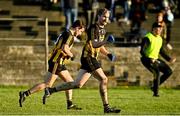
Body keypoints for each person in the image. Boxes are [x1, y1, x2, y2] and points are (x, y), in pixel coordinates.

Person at [43, 8, 121, 113]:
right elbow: (94, 44)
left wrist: (108, 53)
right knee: (104, 79)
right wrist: (106, 41)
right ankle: (106, 107)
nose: (106, 19)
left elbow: (99, 46)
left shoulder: (103, 30)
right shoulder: (94, 28)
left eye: (107, 17)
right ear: (98, 16)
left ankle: (51, 90)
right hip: (89, 57)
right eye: (104, 16)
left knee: (78, 84)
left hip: (90, 58)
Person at [18, 20, 85, 110]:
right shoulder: (69, 35)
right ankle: (25, 93)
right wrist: (71, 55)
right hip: (56, 61)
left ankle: (70, 104)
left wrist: (66, 55)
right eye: (81, 31)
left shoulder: (66, 32)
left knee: (70, 82)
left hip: (58, 61)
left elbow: (60, 47)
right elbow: (64, 48)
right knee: (47, 84)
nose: (80, 34)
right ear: (77, 28)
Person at [140, 22, 176, 97]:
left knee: (168, 71)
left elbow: (161, 51)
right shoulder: (148, 37)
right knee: (157, 72)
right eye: (157, 29)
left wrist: (169, 59)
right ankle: (156, 93)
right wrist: (149, 59)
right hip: (147, 60)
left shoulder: (160, 38)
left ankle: (154, 87)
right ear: (153, 29)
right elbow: (142, 51)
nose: (159, 31)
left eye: (160, 29)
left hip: (155, 59)